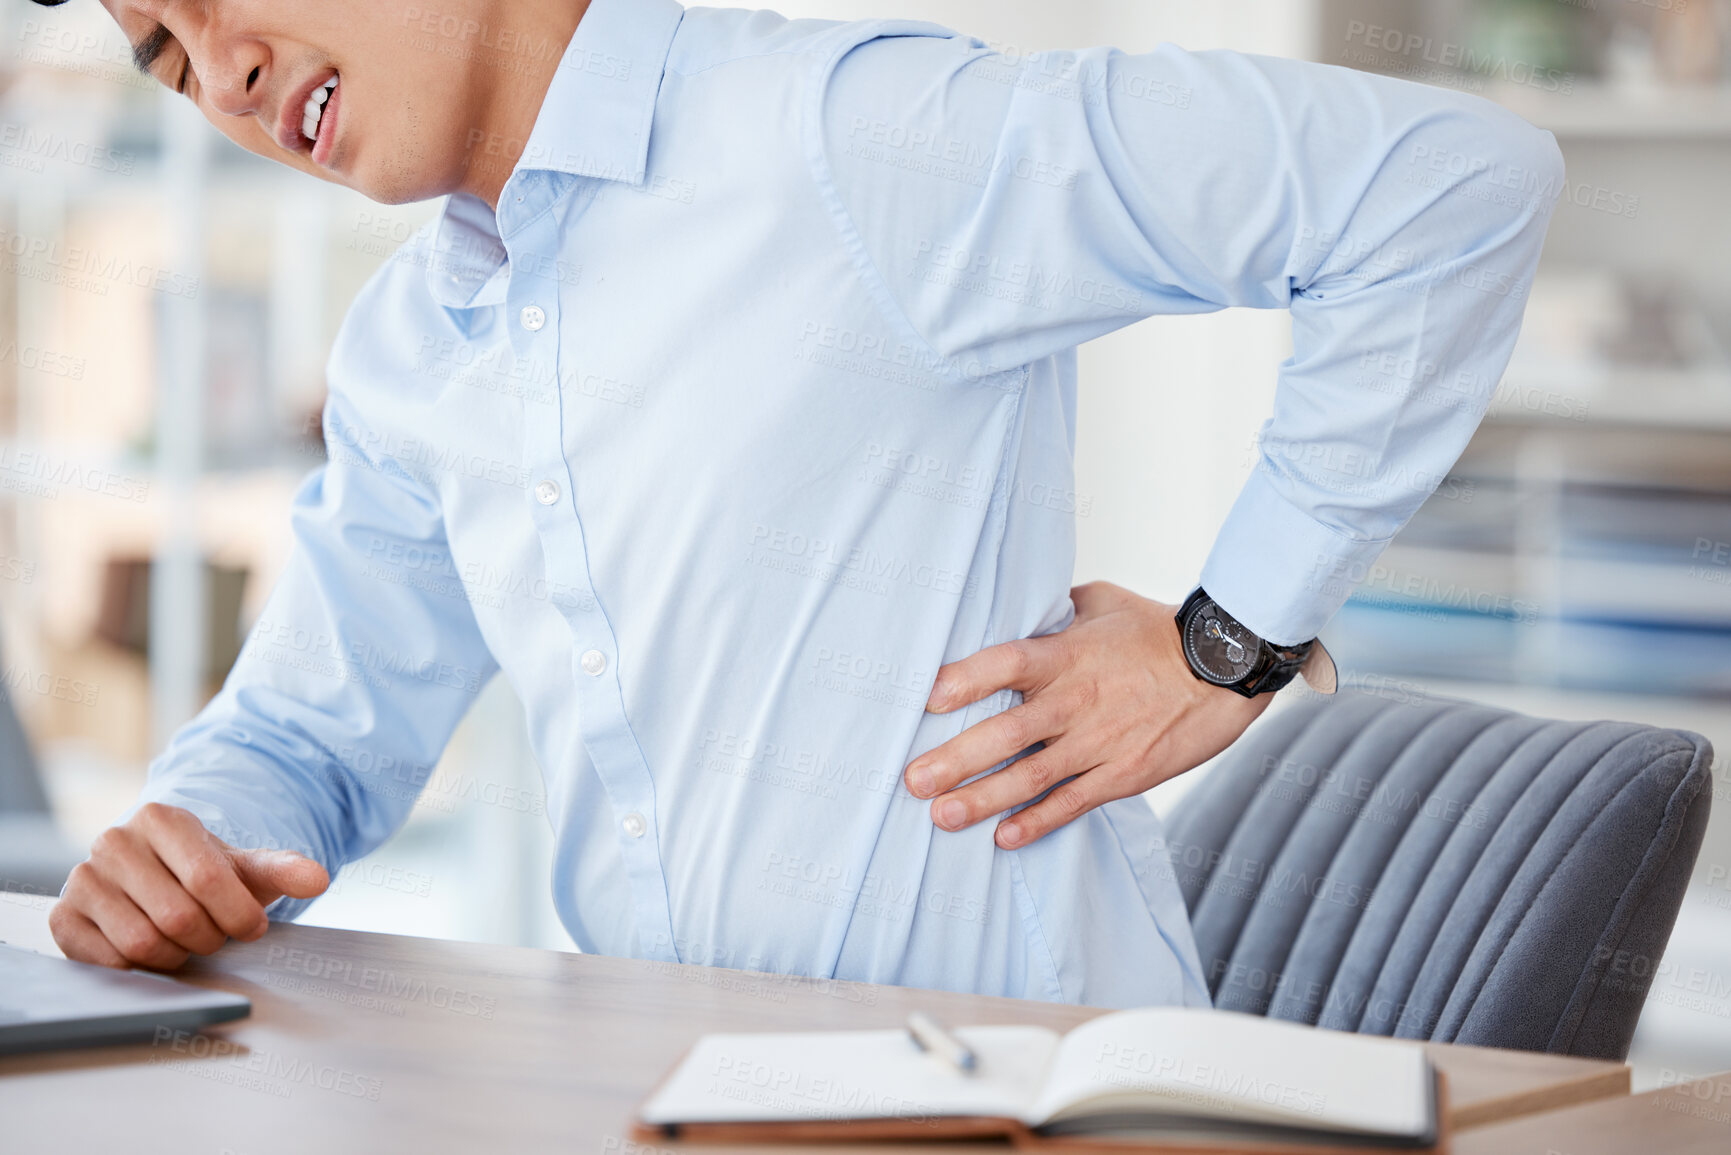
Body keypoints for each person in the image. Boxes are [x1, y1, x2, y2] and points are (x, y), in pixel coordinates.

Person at [45, 0, 1561, 1007]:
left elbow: (1447, 187)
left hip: (1028, 1103)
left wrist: (1226, 642)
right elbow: (309, 737)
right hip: (681, 1095)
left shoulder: (845, 141)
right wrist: (185, 842)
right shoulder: (411, 353)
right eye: (170, 57)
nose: (225, 71)